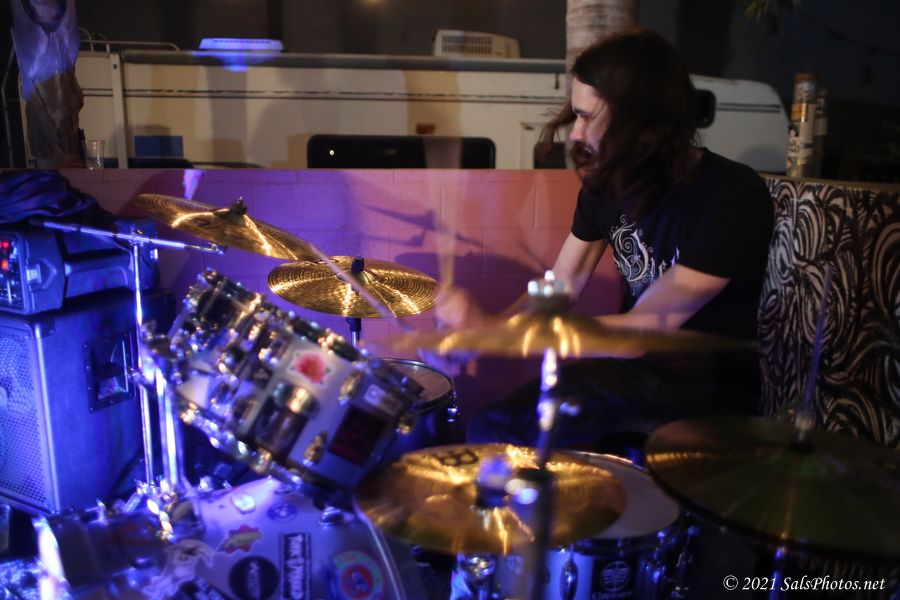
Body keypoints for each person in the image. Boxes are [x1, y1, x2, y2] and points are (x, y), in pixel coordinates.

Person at [435, 28, 774, 455]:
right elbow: (558, 291)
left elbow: (642, 331)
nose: (575, 133)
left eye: (586, 116)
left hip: (706, 396)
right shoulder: (607, 186)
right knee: (492, 427)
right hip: (633, 377)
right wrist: (483, 333)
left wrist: (496, 331)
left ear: (640, 120)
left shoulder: (731, 195)